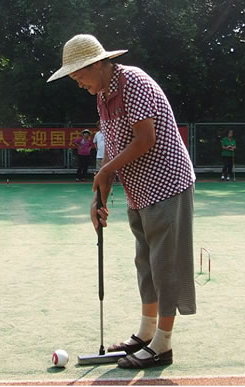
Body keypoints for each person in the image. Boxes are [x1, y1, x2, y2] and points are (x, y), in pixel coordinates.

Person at [47, 34, 196, 369]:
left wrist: (105, 173)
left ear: (98, 64)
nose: (77, 82)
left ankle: (163, 344)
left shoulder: (134, 83)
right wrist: (100, 195)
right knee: (145, 263)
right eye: (73, 77)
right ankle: (145, 333)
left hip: (168, 183)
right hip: (139, 190)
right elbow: (114, 150)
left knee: (165, 266)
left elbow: (145, 140)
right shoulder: (102, 96)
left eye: (79, 74)